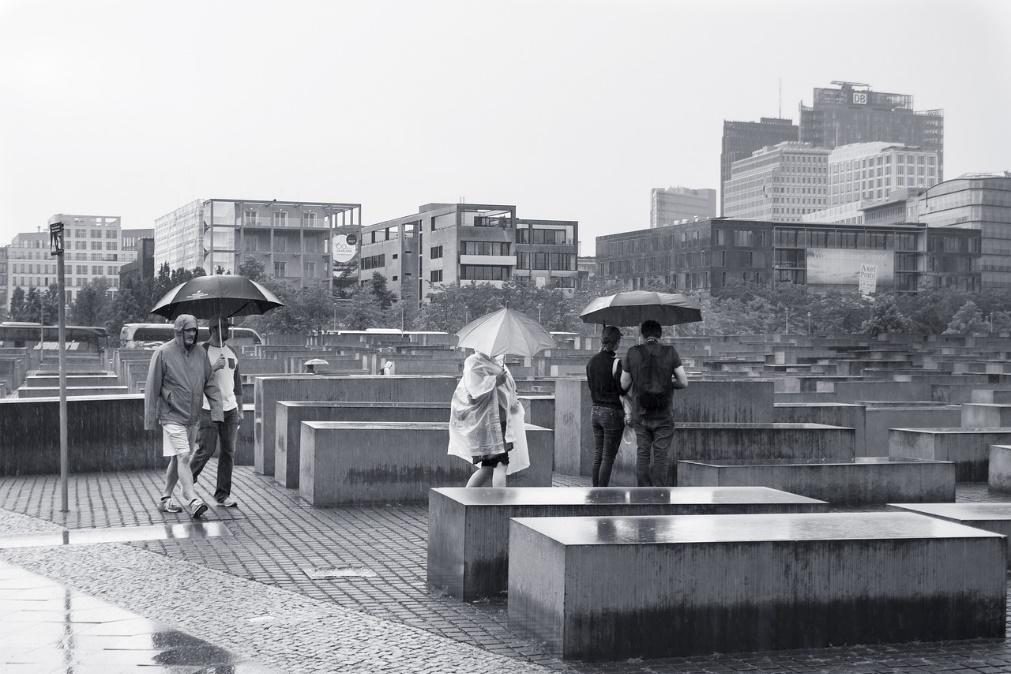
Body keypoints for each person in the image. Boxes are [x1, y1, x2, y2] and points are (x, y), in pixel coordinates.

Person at [144, 314, 223, 519]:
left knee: (177, 457)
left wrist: (217, 410)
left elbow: (210, 383)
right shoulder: (163, 353)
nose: (192, 334)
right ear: (178, 331)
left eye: (195, 330)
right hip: (171, 416)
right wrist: (150, 418)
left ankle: (165, 498)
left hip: (193, 416)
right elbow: (152, 387)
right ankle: (191, 498)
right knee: (184, 456)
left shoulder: (200, 354)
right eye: (188, 330)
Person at [620, 320, 688, 487]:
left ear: (642, 335)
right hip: (664, 414)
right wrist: (668, 383)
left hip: (640, 413)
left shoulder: (633, 352)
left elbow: (623, 385)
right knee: (661, 455)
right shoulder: (670, 352)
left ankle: (643, 492)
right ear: (660, 334)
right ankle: (659, 493)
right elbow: (684, 382)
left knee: (643, 452)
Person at [448, 351, 529, 487]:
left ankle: (467, 498)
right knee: (500, 465)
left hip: (501, 421)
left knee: (488, 468)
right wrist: (495, 381)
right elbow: (473, 393)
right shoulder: (474, 362)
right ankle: (498, 504)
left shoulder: (497, 363)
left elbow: (508, 388)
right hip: (488, 422)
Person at [191, 319, 242, 508]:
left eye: (228, 327)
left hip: (230, 409)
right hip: (209, 407)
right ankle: (188, 478)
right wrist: (214, 367)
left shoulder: (232, 352)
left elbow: (237, 384)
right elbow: (195, 379)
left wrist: (241, 408)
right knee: (206, 449)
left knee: (228, 452)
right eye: (224, 327)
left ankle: (222, 494)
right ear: (213, 329)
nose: (227, 330)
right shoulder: (201, 351)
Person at [585, 325, 625, 487]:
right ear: (616, 343)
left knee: (598, 455)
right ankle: (602, 493)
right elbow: (622, 388)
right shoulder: (616, 363)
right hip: (612, 412)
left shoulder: (591, 362)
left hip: (595, 411)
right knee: (608, 457)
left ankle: (595, 490)